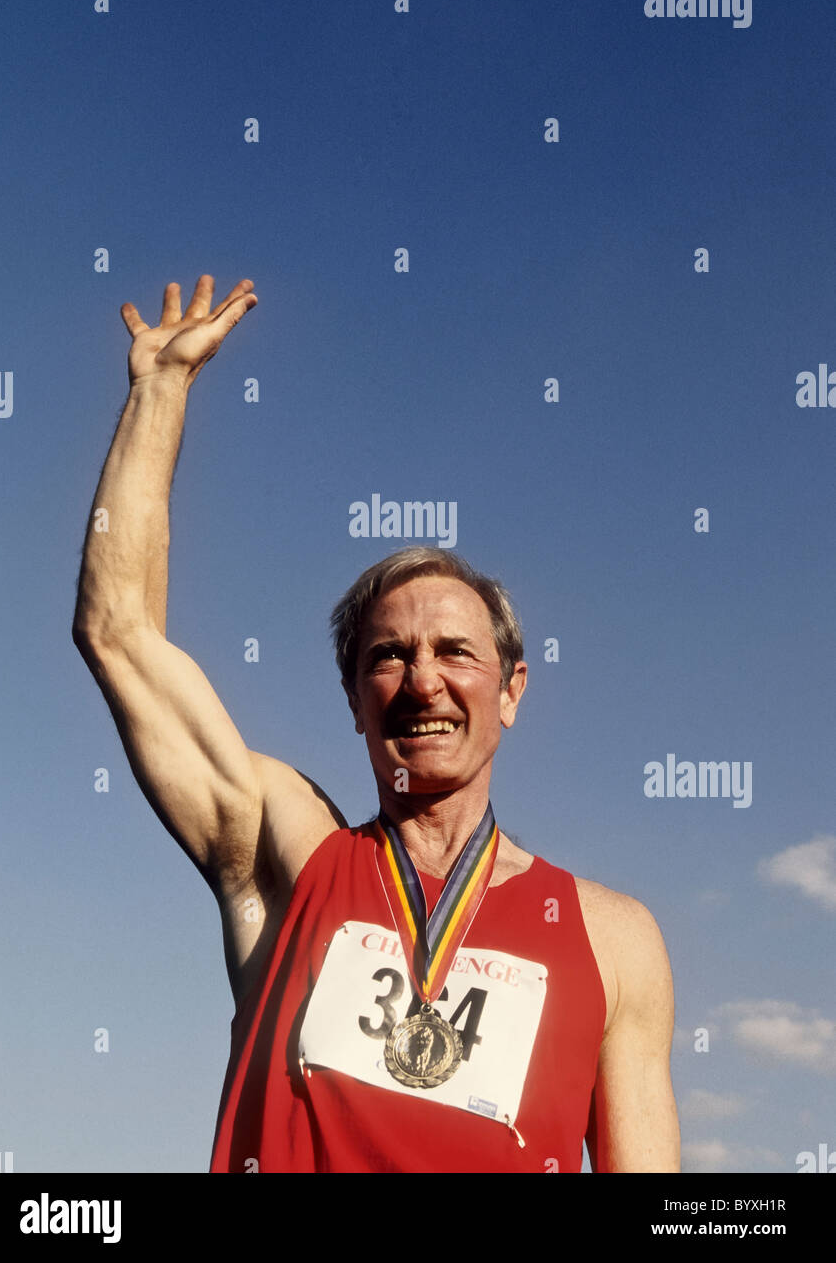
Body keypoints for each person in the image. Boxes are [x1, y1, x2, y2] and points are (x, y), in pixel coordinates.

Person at [73, 273, 681, 1174]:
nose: (422, 681)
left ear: (512, 690)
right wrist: (160, 393)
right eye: (387, 657)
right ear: (353, 694)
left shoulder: (614, 937)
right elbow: (118, 630)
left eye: (455, 653)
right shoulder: (291, 856)